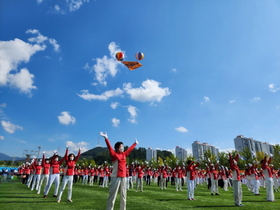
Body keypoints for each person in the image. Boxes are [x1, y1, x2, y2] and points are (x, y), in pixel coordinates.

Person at [100, 131, 138, 210]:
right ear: (117, 148)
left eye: (123, 146)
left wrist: (135, 144)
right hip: (115, 177)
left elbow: (129, 150)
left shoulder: (124, 154)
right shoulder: (114, 154)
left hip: (123, 177)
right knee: (112, 195)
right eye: (121, 146)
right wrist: (106, 138)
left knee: (123, 195)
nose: (122, 147)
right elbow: (109, 147)